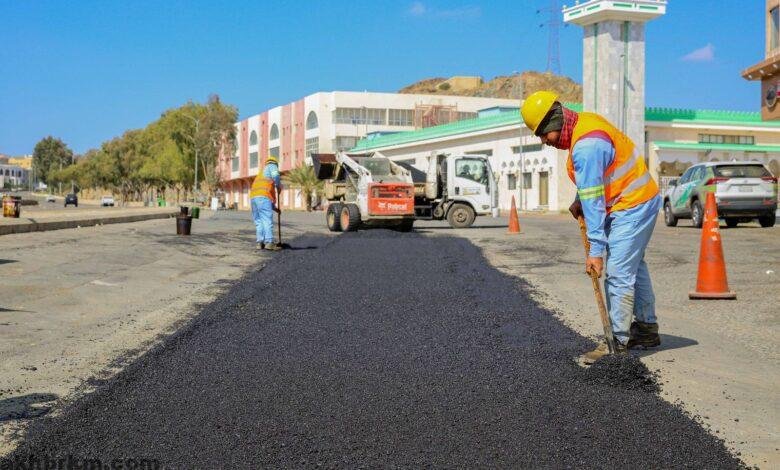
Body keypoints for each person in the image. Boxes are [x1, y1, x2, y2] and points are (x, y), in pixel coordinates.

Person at [520, 91, 662, 361]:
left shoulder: (587, 146)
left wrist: (595, 252)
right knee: (633, 264)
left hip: (633, 203)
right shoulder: (583, 124)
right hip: (636, 197)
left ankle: (617, 342)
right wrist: (579, 199)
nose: (544, 141)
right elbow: (593, 179)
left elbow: (594, 201)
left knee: (618, 272)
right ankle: (646, 330)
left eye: (543, 134)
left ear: (554, 122)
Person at [249, 155, 282, 251]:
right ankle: (269, 242)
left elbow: (267, 199)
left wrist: (275, 209)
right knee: (267, 219)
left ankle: (260, 243)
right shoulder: (272, 166)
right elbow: (276, 176)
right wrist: (278, 185)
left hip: (253, 198)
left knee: (259, 221)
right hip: (262, 197)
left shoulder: (262, 173)